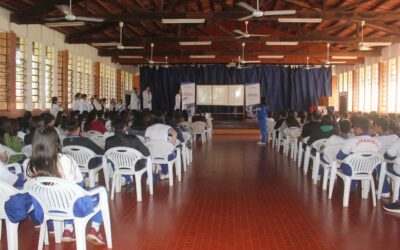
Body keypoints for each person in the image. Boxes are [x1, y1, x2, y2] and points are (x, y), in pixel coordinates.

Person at [26, 126, 106, 244]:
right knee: (102, 191)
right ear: (56, 142)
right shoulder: (65, 159)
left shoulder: (29, 165)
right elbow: (77, 185)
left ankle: (68, 230)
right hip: (70, 206)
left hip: (45, 208)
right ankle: (94, 228)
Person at [336, 117, 381, 191]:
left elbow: (339, 157)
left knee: (349, 163)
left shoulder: (351, 140)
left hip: (351, 170)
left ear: (357, 128)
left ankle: (351, 186)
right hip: (368, 170)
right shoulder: (377, 142)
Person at [105, 116, 150, 181]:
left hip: (117, 166)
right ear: (125, 127)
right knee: (146, 160)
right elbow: (147, 153)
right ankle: (148, 177)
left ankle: (126, 178)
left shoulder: (108, 140)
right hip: (134, 166)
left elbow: (107, 155)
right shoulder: (133, 138)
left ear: (112, 128)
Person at [145, 112, 177, 180]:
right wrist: (171, 146)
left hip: (152, 156)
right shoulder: (167, 127)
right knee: (171, 153)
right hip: (166, 156)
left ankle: (161, 172)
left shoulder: (148, 128)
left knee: (158, 154)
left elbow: (147, 143)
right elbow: (174, 133)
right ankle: (164, 173)